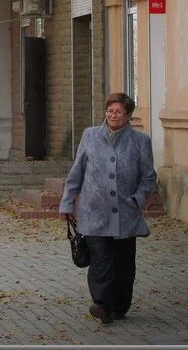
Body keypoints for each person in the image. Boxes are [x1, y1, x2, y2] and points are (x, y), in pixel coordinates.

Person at [59, 92, 157, 325]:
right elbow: (77, 172)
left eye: (119, 112)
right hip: (93, 212)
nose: (113, 115)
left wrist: (137, 199)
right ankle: (102, 304)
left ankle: (120, 307)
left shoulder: (140, 141)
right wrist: (67, 201)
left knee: (123, 264)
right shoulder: (90, 136)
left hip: (125, 212)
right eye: (110, 111)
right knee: (101, 259)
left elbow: (148, 177)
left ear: (128, 116)